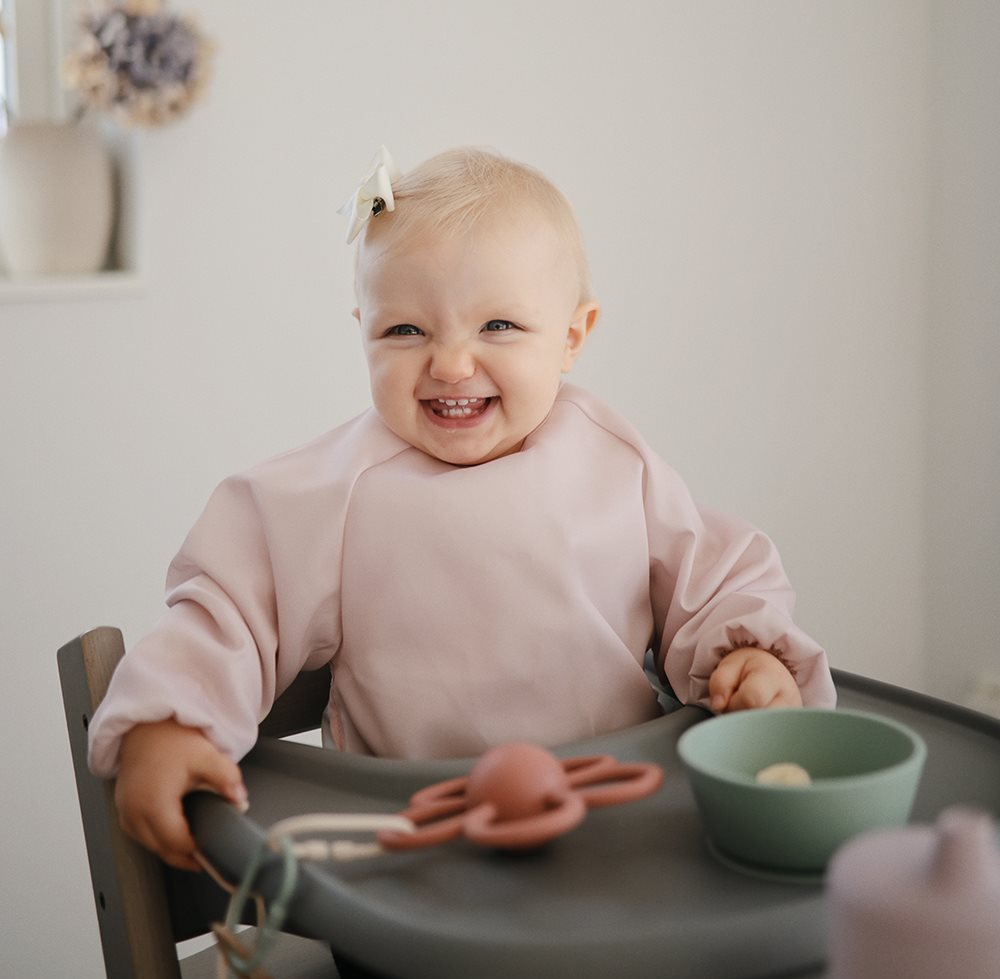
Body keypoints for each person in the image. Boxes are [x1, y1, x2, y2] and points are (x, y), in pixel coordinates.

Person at [88, 146, 836, 871]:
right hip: (416, 859)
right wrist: (169, 720)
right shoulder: (333, 490)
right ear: (363, 333)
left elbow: (712, 569)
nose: (449, 363)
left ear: (573, 335)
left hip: (621, 828)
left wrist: (746, 653)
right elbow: (227, 608)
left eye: (498, 326)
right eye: (405, 330)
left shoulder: (613, 460)